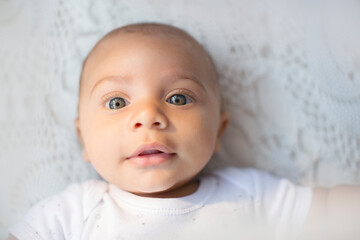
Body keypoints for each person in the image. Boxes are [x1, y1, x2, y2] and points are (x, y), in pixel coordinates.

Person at [7, 22, 360, 240]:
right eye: (117, 102)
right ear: (82, 138)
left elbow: (334, 211)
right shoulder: (73, 211)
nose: (148, 116)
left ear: (219, 130)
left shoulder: (250, 194)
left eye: (178, 97)